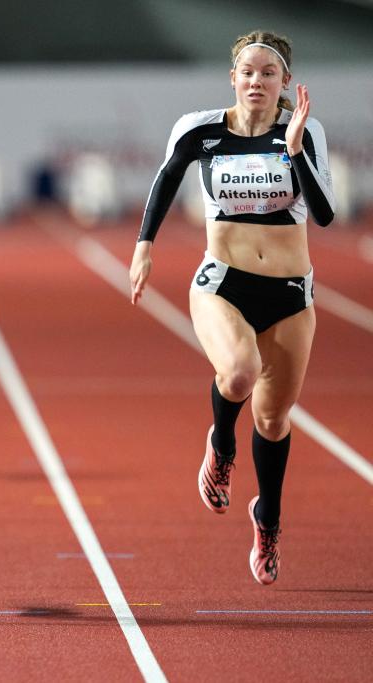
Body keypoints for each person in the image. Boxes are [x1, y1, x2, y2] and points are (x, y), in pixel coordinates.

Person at [129, 31, 334, 585]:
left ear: (285, 81)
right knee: (240, 372)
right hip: (222, 282)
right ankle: (221, 445)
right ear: (233, 77)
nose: (256, 81)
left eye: (268, 73)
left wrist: (295, 148)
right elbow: (166, 178)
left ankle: (268, 518)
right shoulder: (200, 129)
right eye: (247, 72)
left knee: (272, 418)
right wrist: (144, 246)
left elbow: (325, 214)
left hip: (290, 293)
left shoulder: (304, 130)